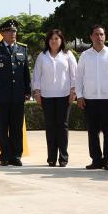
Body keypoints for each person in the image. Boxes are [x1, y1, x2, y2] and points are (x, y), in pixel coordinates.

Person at [76, 25, 108, 171]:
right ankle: (96, 160)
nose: (99, 37)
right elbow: (78, 77)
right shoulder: (85, 55)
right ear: (91, 37)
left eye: (102, 34)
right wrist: (79, 95)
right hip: (90, 99)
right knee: (92, 131)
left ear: (105, 36)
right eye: (96, 34)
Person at [0, 19, 31, 166]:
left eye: (14, 31)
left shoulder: (22, 49)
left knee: (17, 127)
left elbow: (26, 73)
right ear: (2, 33)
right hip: (0, 95)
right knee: (3, 127)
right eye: (10, 31)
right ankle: (4, 155)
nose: (13, 34)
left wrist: (28, 90)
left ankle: (16, 156)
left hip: (18, 95)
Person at [32, 29, 76, 167]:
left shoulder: (68, 55)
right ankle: (51, 157)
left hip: (64, 95)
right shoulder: (42, 56)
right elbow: (36, 76)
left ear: (62, 40)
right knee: (50, 127)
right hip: (47, 96)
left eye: (57, 38)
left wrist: (73, 92)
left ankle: (63, 157)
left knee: (62, 126)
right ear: (48, 41)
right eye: (51, 39)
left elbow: (75, 75)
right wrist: (37, 93)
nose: (54, 41)